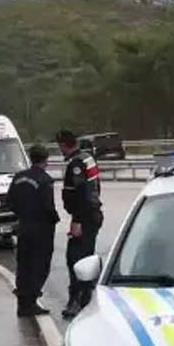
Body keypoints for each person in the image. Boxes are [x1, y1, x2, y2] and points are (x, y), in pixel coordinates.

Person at [7, 144, 59, 317]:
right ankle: (31, 301)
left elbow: (10, 201)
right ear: (46, 160)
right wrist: (54, 219)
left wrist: (22, 214)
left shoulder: (18, 177)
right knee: (39, 265)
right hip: (41, 228)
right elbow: (48, 206)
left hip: (23, 226)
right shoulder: (45, 180)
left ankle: (22, 302)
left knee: (24, 264)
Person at [57, 129, 103, 319]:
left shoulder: (76, 164)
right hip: (93, 214)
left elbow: (82, 192)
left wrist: (77, 221)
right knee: (86, 256)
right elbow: (95, 188)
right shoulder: (87, 158)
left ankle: (77, 300)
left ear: (63, 145)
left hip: (84, 217)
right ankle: (86, 296)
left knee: (75, 259)